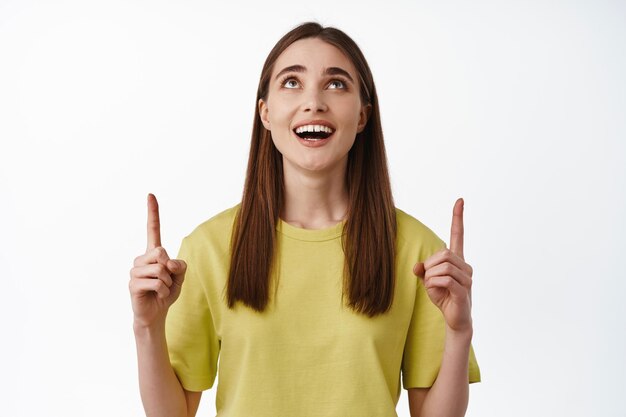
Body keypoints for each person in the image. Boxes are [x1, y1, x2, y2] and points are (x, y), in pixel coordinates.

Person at [129, 21, 480, 417]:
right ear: (265, 112)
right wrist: (147, 328)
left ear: (363, 116)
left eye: (337, 84)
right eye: (292, 83)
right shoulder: (208, 249)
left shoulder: (417, 251)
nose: (313, 101)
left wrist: (459, 331)